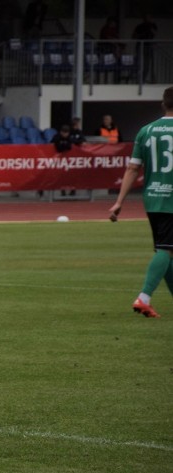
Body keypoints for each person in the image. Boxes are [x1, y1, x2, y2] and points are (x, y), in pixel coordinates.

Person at [108, 86, 173, 318]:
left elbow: (133, 168)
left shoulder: (146, 130)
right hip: (172, 200)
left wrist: (119, 202)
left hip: (153, 197)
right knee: (166, 249)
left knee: (165, 250)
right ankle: (144, 297)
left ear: (163, 104)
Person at [132, 15, 157, 83]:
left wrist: (150, 29)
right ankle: (138, 80)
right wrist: (141, 34)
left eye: (149, 18)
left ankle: (143, 79)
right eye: (146, 18)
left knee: (147, 65)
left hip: (149, 46)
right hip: (140, 46)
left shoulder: (153, 25)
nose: (147, 19)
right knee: (139, 63)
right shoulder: (140, 26)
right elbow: (134, 36)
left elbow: (154, 33)